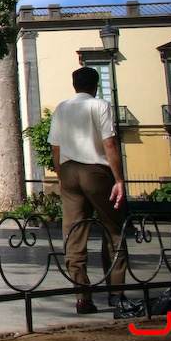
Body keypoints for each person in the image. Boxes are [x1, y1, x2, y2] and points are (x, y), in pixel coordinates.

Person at [48, 66, 130, 315]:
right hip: (96, 171)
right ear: (96, 86)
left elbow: (55, 148)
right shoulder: (100, 106)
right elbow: (109, 142)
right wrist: (119, 179)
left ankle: (82, 297)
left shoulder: (61, 109)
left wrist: (61, 177)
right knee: (113, 230)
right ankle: (116, 293)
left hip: (69, 170)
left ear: (74, 85)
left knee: (74, 234)